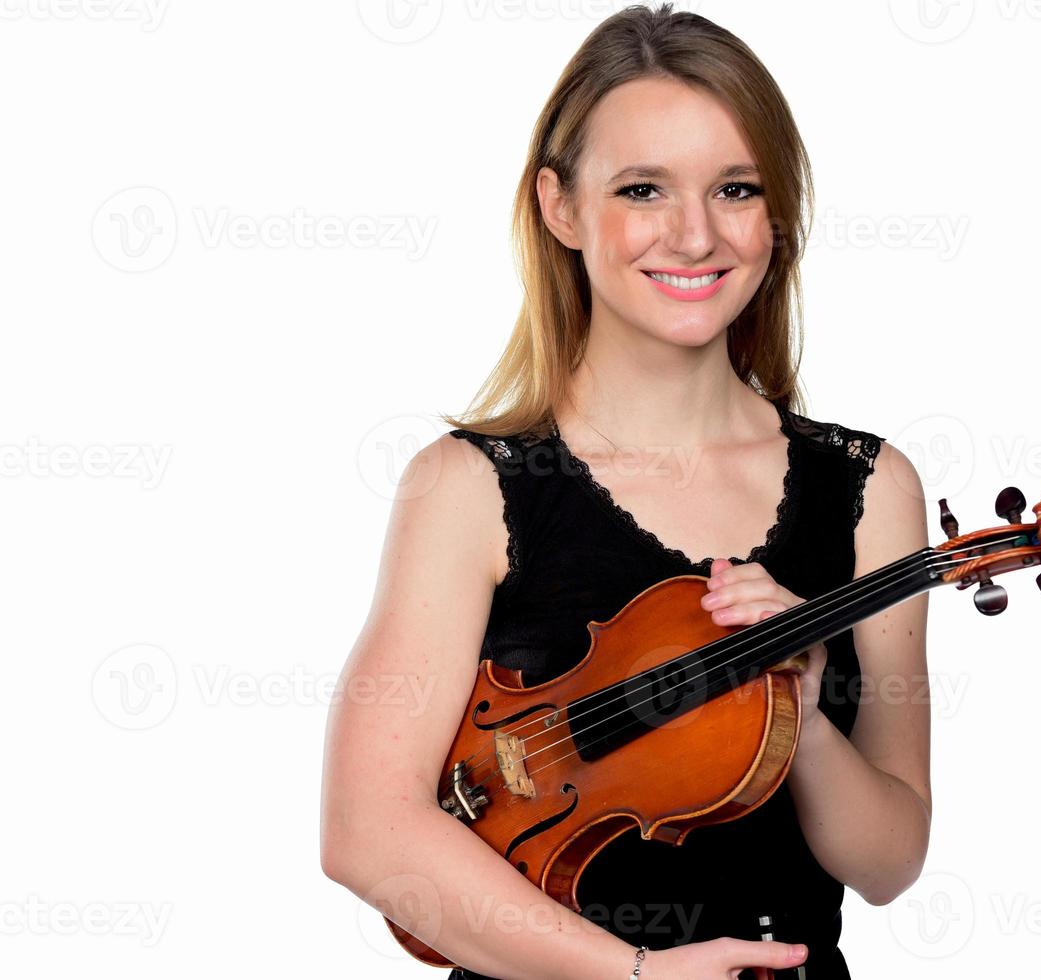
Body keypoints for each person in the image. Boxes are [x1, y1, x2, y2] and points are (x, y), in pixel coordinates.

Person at [320, 4, 932, 978]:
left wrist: (802, 712)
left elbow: (890, 858)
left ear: (774, 212)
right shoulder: (468, 486)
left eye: (735, 188)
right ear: (559, 207)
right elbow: (367, 828)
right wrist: (633, 975)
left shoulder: (870, 486)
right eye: (643, 188)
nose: (693, 235)